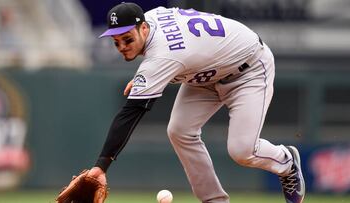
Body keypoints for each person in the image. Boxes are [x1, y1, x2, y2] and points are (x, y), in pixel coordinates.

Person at [88, 2, 305, 203]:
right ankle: (214, 200)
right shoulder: (151, 18)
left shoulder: (163, 55)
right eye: (116, 41)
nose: (122, 46)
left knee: (242, 150)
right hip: (205, 74)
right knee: (179, 131)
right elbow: (179, 51)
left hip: (248, 70)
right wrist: (147, 76)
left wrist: (101, 166)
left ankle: (286, 162)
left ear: (144, 28)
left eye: (127, 39)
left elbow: (132, 112)